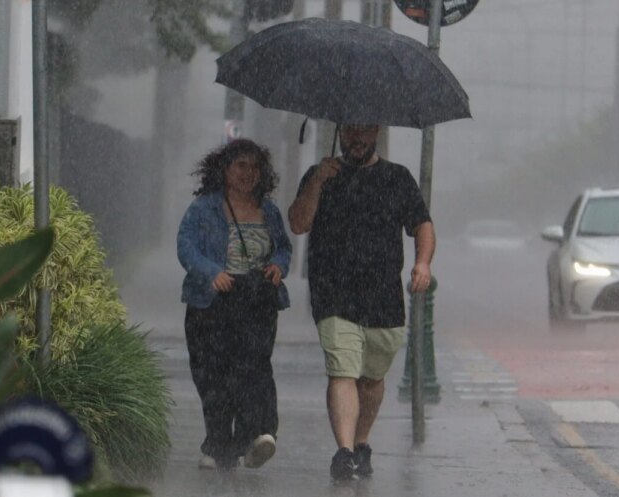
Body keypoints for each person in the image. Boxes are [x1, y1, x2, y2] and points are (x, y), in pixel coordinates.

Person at [288, 124, 435, 481]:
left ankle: (361, 442)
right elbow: (298, 223)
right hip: (333, 293)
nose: (357, 138)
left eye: (365, 131)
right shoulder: (319, 176)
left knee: (371, 379)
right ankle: (344, 451)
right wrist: (318, 181)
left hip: (383, 296)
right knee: (342, 370)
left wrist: (422, 263)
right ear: (340, 133)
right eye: (350, 130)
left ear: (377, 134)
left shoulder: (396, 178)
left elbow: (423, 225)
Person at [177, 138, 292, 471]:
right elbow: (186, 246)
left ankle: (257, 435)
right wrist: (211, 272)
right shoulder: (204, 208)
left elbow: (283, 248)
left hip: (256, 301)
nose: (248, 173)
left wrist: (278, 266)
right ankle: (217, 443)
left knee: (253, 368)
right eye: (240, 165)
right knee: (212, 375)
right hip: (211, 303)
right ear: (224, 169)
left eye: (254, 167)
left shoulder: (268, 210)